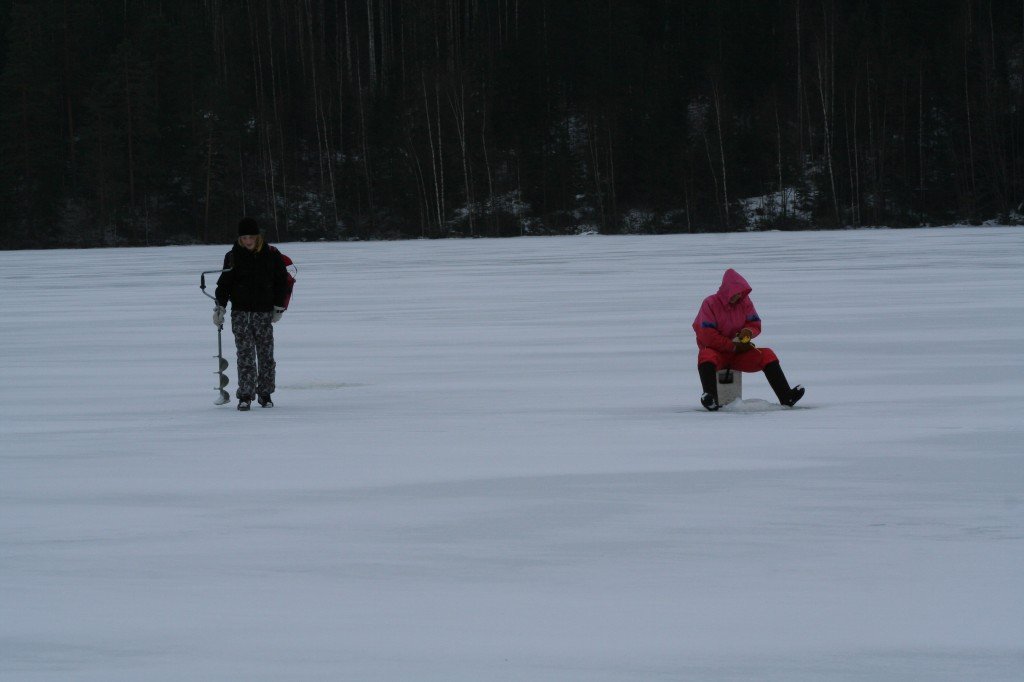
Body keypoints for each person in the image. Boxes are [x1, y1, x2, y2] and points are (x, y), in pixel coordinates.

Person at [693, 268, 804, 411]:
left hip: (739, 354)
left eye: (740, 293)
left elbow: (755, 324)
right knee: (705, 355)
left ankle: (786, 396)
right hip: (717, 354)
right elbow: (706, 335)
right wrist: (732, 346)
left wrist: (747, 333)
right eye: (735, 293)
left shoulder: (745, 303)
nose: (738, 296)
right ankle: (710, 399)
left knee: (767, 354)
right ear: (726, 290)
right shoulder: (710, 303)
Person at [213, 217, 289, 411]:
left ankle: (265, 394)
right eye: (244, 237)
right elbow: (224, 284)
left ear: (258, 237)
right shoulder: (232, 256)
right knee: (245, 356)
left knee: (266, 355)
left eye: (251, 237)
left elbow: (282, 282)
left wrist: (278, 307)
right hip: (240, 313)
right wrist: (220, 307)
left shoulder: (271, 254)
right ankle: (245, 395)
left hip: (263, 313)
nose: (248, 241)